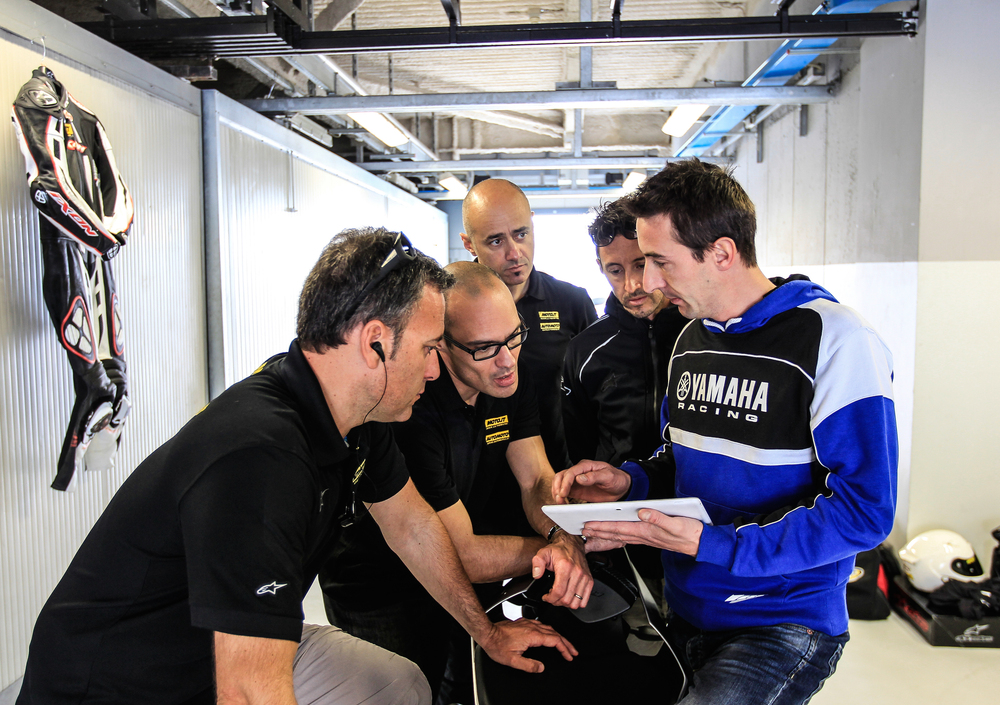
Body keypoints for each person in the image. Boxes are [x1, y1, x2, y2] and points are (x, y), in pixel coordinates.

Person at [17, 228, 576, 705]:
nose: (434, 372)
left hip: (212, 644)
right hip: (120, 683)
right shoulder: (261, 458)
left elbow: (412, 526)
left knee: (398, 685)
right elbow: (248, 691)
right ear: (375, 344)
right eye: (429, 349)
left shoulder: (360, 419)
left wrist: (487, 634)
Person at [552, 160, 898, 705]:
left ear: (721, 253)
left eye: (660, 262)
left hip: (780, 621)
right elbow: (680, 456)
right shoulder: (691, 340)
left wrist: (714, 545)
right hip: (686, 606)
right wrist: (630, 482)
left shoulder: (837, 340)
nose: (648, 284)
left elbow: (865, 511)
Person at [322, 261, 593, 705]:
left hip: (458, 571)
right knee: (408, 692)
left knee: (465, 682)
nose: (506, 360)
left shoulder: (509, 375)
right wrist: (556, 552)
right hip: (381, 586)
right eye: (484, 348)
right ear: (441, 347)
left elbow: (534, 479)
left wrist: (560, 533)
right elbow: (462, 554)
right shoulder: (411, 410)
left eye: (514, 337)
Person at [461, 178, 597, 471]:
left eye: (521, 234)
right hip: (472, 479)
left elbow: (596, 395)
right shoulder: (449, 308)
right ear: (468, 243)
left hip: (557, 471)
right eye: (496, 241)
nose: (514, 254)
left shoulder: (572, 303)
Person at [561, 198, 688, 467]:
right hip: (619, 491)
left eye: (640, 265)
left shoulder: (703, 334)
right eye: (616, 271)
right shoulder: (584, 351)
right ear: (601, 267)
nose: (631, 286)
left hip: (693, 490)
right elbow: (581, 451)